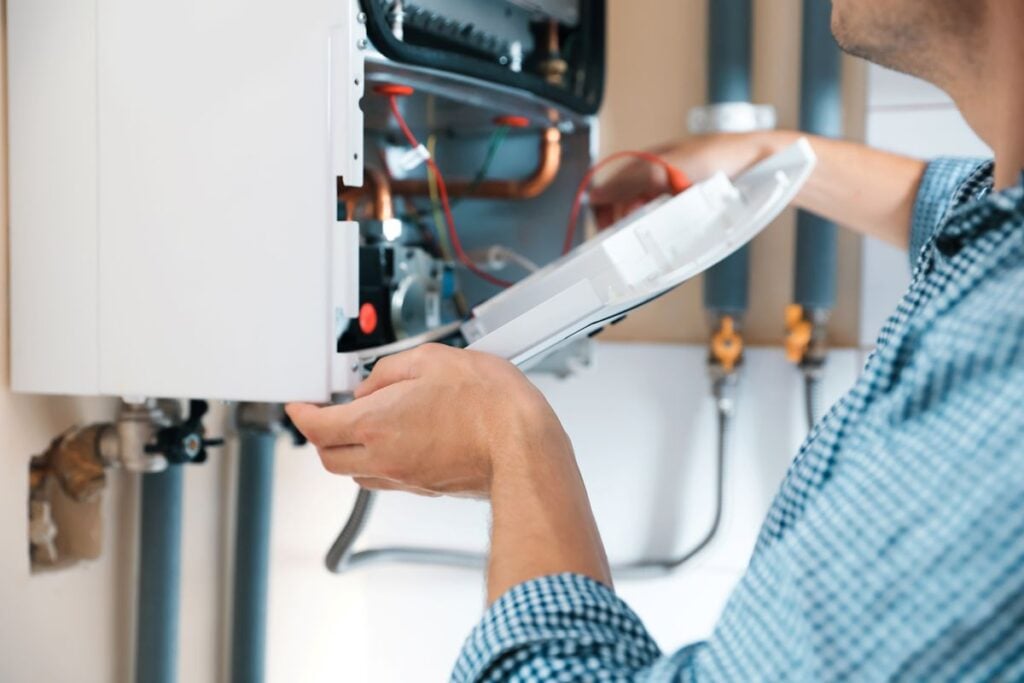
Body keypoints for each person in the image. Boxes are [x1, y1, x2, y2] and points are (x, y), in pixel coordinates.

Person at [287, 0, 1024, 679]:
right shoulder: (1001, 232)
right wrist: (761, 156)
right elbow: (942, 206)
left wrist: (510, 442)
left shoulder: (1002, 398)